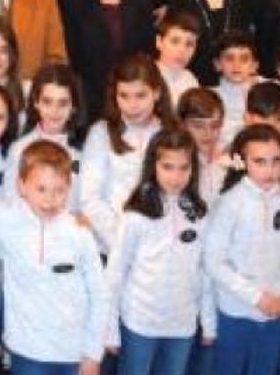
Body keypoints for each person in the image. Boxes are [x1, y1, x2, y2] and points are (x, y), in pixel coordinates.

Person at [0, 140, 108, 375]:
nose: (50, 199)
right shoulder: (6, 221)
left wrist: (92, 353)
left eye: (59, 190)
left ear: (70, 188)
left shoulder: (80, 233)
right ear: (21, 186)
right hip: (26, 352)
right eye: (41, 189)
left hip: (73, 352)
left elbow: (99, 295)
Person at [103, 129, 210, 375]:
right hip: (139, 323)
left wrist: (208, 321)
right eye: (168, 167)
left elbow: (204, 271)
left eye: (184, 168)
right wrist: (109, 329)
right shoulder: (135, 215)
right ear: (153, 166)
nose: (176, 176)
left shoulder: (200, 214)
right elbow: (115, 274)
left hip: (182, 325)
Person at [203, 124, 280, 375]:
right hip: (236, 311)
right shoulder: (230, 202)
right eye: (259, 162)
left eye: (276, 161)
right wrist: (256, 297)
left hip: (275, 311)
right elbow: (214, 262)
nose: (269, 170)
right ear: (243, 162)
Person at [81, 54, 175, 253]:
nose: (132, 105)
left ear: (156, 93)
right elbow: (90, 198)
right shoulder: (101, 133)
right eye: (123, 95)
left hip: (161, 247)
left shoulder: (171, 133)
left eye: (141, 95)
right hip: (110, 247)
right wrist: (121, 243)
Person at [64, 0, 155, 119]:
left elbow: (147, 55)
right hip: (87, 103)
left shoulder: (140, 5)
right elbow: (72, 60)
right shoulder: (74, 4)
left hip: (133, 101)